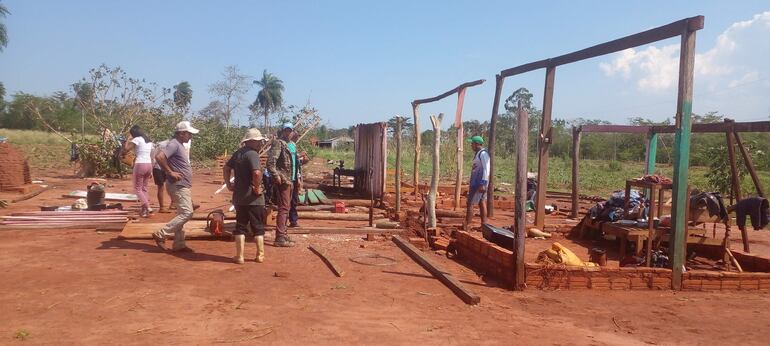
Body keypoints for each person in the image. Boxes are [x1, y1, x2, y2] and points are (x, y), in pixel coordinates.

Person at [152, 121, 200, 252]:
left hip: (181, 184)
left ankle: (179, 244)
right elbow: (159, 156)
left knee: (181, 213)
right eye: (189, 134)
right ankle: (161, 234)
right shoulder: (174, 144)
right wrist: (170, 172)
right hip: (178, 185)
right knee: (187, 213)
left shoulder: (178, 144)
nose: (190, 136)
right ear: (182, 133)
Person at [224, 128, 268, 264]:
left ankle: (239, 256)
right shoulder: (253, 154)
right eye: (259, 142)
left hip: (240, 197)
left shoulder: (238, 154)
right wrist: (256, 187)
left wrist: (228, 184)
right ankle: (260, 256)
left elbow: (226, 168)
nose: (261, 144)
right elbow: (256, 173)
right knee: (258, 227)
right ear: (252, 142)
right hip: (254, 199)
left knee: (240, 226)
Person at [266, 123, 297, 247]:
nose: (288, 133)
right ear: (283, 131)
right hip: (283, 180)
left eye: (290, 130)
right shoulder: (278, 143)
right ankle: (279, 237)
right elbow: (270, 162)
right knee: (283, 208)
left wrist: (298, 177)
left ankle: (283, 234)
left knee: (287, 208)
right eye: (286, 130)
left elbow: (295, 164)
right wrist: (276, 175)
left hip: (292, 179)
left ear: (293, 132)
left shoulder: (293, 145)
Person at [123, 125, 154, 218]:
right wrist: (151, 170)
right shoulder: (149, 141)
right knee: (144, 188)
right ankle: (144, 211)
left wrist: (128, 139)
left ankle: (148, 207)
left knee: (137, 189)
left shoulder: (137, 140)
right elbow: (152, 155)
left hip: (140, 164)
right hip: (149, 165)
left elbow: (126, 149)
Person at [465, 135, 490, 230]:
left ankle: (467, 225)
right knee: (481, 202)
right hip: (477, 182)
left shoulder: (483, 154)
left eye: (472, 143)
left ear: (476, 144)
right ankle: (484, 225)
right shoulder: (479, 153)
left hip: (479, 183)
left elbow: (486, 169)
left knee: (470, 202)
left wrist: (483, 183)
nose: (471, 145)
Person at [288, 131, 309, 228]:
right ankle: (285, 223)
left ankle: (293, 221)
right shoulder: (286, 145)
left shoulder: (293, 145)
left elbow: (297, 163)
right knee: (287, 202)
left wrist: (303, 159)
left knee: (294, 200)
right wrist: (300, 155)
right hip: (288, 178)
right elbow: (290, 161)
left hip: (294, 178)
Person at [151, 138, 172, 213]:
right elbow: (154, 156)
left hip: (166, 167)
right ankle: (162, 207)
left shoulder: (173, 145)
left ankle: (173, 204)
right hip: (158, 168)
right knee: (161, 187)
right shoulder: (162, 145)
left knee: (171, 185)